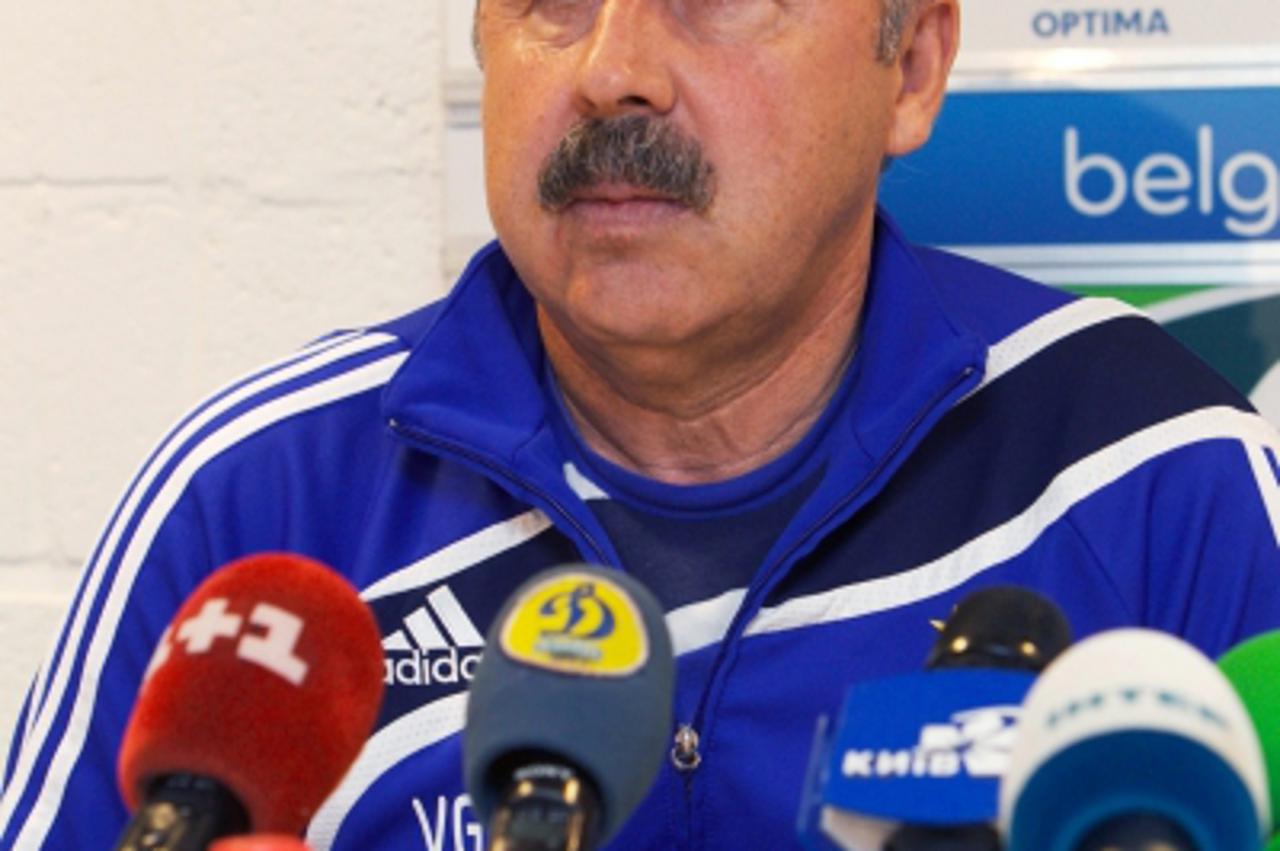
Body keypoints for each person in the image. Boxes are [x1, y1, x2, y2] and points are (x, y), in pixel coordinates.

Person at [4, 0, 1280, 847]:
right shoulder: (252, 511)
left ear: (913, 68)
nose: (613, 71)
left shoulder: (1157, 475)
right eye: (552, 0)